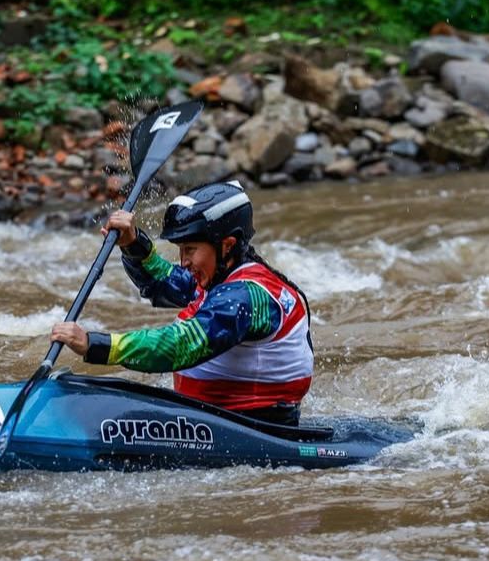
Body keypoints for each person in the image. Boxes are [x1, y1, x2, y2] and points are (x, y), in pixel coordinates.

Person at [51, 181, 314, 426]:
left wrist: (96, 345)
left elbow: (181, 345)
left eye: (190, 249)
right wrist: (133, 244)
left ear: (227, 245)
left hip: (257, 425)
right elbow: (166, 283)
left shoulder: (244, 297)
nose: (183, 261)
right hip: (220, 417)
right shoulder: (221, 280)